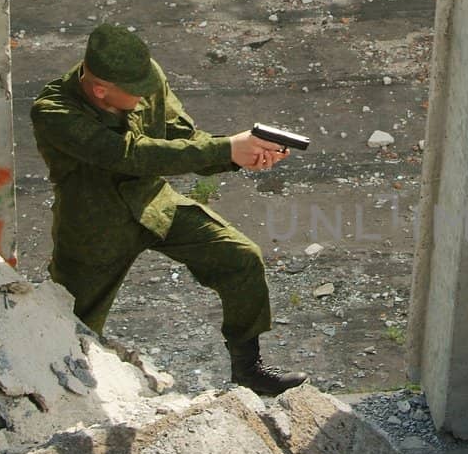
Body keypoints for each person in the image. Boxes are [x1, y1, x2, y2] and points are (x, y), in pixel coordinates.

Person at [30, 23, 308, 395]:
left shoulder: (146, 77)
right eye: (137, 94)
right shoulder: (52, 112)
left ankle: (249, 370)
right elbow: (129, 154)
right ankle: (51, 395)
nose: (147, 97)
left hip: (153, 205)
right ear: (100, 90)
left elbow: (185, 140)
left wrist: (242, 156)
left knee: (241, 258)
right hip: (94, 229)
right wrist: (227, 148)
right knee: (70, 322)